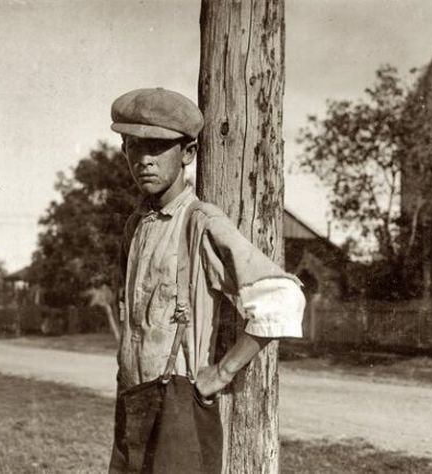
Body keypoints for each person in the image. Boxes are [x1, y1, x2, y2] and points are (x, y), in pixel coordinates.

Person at [108, 87, 305, 474]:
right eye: (135, 147)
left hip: (179, 403)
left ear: (188, 154)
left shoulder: (201, 222)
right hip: (132, 399)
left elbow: (282, 297)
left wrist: (223, 372)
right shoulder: (136, 226)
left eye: (158, 147)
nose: (145, 160)